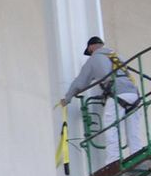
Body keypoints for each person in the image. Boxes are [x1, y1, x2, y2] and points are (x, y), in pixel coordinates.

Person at [62, 36, 147, 167]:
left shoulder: (94, 59)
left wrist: (67, 98)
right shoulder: (117, 56)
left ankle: (113, 161)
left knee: (111, 126)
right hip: (133, 94)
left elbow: (81, 82)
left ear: (91, 47)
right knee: (133, 129)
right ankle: (138, 158)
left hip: (117, 94)